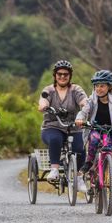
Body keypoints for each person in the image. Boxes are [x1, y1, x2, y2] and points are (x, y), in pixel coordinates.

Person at [75, 70, 112, 203]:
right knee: (94, 140)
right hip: (94, 129)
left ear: (110, 87)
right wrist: (80, 119)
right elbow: (83, 111)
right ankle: (89, 164)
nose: (99, 89)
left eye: (102, 86)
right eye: (96, 86)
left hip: (109, 131)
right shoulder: (91, 100)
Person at [38, 60, 88, 191]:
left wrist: (85, 106)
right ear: (55, 75)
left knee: (81, 147)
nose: (62, 76)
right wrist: (44, 105)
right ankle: (54, 169)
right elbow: (43, 100)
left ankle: (79, 178)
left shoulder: (76, 89)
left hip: (73, 126)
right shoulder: (49, 90)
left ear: (70, 76)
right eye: (59, 74)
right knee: (56, 139)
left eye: (66, 74)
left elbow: (84, 101)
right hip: (52, 126)